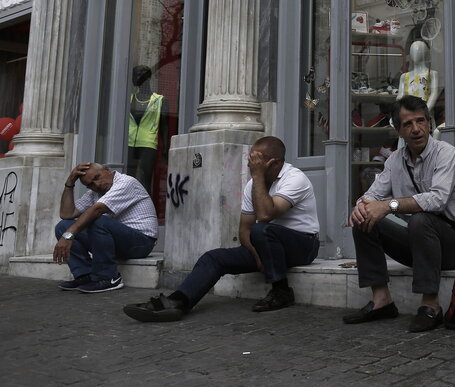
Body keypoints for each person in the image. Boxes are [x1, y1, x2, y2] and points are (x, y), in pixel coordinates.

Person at [122, 136, 320, 322]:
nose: (251, 164)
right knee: (214, 258)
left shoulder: (294, 178)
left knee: (262, 230)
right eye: (251, 158)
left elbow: (266, 215)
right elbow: (244, 230)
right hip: (266, 246)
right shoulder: (253, 184)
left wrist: (258, 177)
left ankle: (282, 291)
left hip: (303, 245)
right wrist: (259, 257)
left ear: (275, 163)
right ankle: (178, 301)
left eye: (257, 160)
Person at [344, 95, 455, 332]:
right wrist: (361, 206)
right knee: (364, 219)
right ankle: (381, 300)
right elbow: (373, 194)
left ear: (429, 123)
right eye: (408, 124)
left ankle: (431, 305)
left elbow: (436, 200)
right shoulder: (395, 160)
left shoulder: (446, 154)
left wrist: (388, 206)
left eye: (421, 121)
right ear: (398, 130)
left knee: (420, 219)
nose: (416, 129)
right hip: (421, 244)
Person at [53, 162, 158, 293]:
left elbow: (97, 210)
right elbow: (67, 214)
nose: (96, 185)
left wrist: (68, 235)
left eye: (97, 177)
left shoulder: (126, 182)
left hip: (142, 242)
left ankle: (108, 278)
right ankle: (85, 275)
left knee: (98, 220)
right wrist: (69, 183)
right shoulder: (95, 193)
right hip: (117, 242)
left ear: (108, 170)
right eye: (90, 184)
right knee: (63, 226)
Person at [396, 40, 440, 118]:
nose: (416, 52)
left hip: (424, 116)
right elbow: (400, 97)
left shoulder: (432, 74)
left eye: (420, 50)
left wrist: (424, 112)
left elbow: (434, 95)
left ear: (425, 53)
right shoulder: (404, 77)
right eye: (413, 51)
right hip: (407, 116)